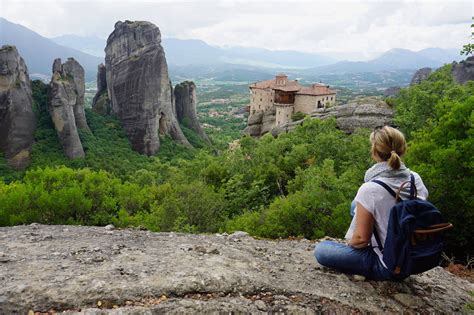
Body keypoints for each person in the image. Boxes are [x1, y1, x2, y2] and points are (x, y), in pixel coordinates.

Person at [314, 126, 428, 280]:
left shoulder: (370, 189)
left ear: (374, 152)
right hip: (413, 258)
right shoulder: (415, 179)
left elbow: (361, 240)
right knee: (356, 205)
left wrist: (351, 246)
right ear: (403, 150)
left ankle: (371, 264)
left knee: (321, 250)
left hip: (387, 265)